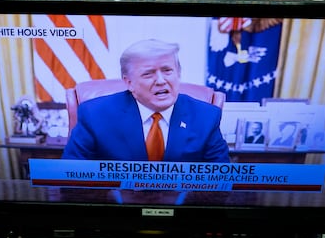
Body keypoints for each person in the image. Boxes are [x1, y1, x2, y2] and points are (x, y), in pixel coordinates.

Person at [62, 39, 230, 162]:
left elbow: (221, 182)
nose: (161, 81)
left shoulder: (206, 117)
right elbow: (70, 178)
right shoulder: (95, 115)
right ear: (129, 82)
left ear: (178, 73)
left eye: (167, 70)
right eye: (148, 74)